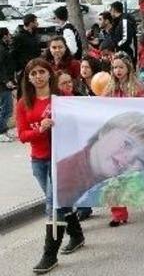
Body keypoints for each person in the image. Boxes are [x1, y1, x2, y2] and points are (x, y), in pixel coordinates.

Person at [16, 58, 86, 273]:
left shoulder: (61, 99)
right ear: (28, 78)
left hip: (61, 159)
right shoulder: (23, 103)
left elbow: (78, 122)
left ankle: (49, 255)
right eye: (33, 73)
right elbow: (22, 135)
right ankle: (76, 235)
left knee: (53, 205)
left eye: (41, 72)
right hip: (39, 160)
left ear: (49, 74)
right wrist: (40, 129)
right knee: (60, 202)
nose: (38, 76)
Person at [55, 112, 144, 210]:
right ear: (105, 131)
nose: (129, 158)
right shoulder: (66, 179)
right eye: (127, 143)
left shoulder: (110, 183)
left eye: (141, 160)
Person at [103, 52, 144, 225]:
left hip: (133, 138)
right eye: (114, 67)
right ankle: (118, 213)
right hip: (115, 138)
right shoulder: (108, 89)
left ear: (128, 68)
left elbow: (143, 112)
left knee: (135, 173)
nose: (117, 71)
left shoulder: (138, 88)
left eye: (121, 67)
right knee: (113, 175)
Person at [12, 13, 41, 81]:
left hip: (36, 66)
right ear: (31, 23)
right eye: (36, 21)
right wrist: (18, 69)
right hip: (24, 69)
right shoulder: (19, 37)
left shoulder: (34, 34)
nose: (37, 23)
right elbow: (14, 54)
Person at [1, 28, 17, 142]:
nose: (10, 37)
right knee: (6, 108)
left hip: (5, 83)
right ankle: (1, 132)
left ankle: (4, 130)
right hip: (2, 85)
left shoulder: (4, 48)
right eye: (8, 35)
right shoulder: (1, 49)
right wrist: (6, 80)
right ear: (4, 36)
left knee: (8, 108)